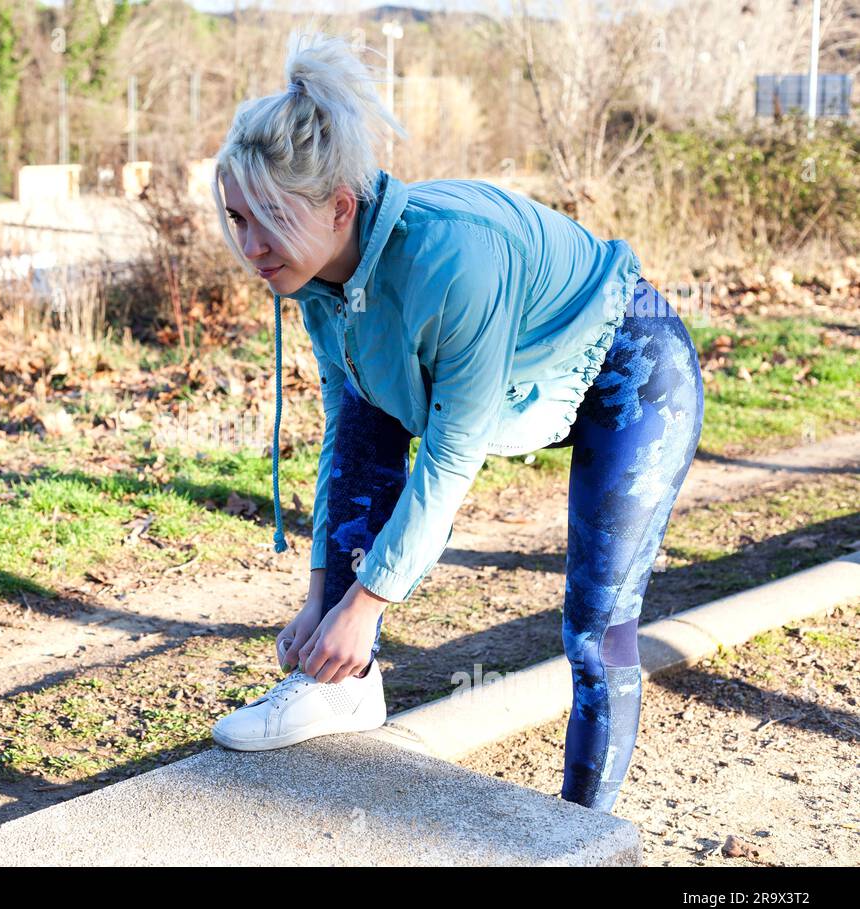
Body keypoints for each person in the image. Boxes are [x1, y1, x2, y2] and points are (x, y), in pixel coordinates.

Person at [206, 29, 704, 815]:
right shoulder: (315, 280)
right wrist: (321, 600)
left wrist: (366, 607)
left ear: (341, 206)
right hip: (517, 386)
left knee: (596, 627)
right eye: (237, 219)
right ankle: (341, 689)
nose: (251, 246)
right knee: (364, 428)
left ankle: (582, 835)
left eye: (267, 219)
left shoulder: (452, 256)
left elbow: (451, 452)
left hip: (632, 372)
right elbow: (349, 433)